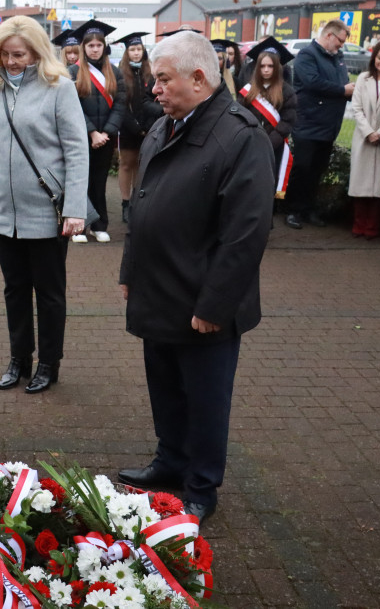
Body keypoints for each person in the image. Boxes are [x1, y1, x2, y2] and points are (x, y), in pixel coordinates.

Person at [116, 31, 274, 524]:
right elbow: (142, 205)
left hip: (202, 302)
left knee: (205, 400)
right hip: (159, 289)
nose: (154, 89)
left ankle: (201, 486)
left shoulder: (240, 136)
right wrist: (129, 269)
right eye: (154, 79)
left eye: (163, 79)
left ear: (200, 79)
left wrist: (214, 305)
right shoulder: (166, 125)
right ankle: (171, 461)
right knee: (165, 388)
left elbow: (245, 234)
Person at [0, 16, 88, 395]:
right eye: (5, 54)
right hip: (4, 211)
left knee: (49, 294)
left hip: (46, 210)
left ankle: (49, 363)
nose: (11, 61)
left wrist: (75, 208)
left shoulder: (59, 88)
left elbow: (77, 150)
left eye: (19, 54)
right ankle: (19, 358)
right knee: (15, 290)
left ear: (36, 52)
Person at [285, 19, 354, 230]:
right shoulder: (307, 55)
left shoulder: (338, 58)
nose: (341, 45)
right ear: (329, 35)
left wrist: (349, 90)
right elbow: (313, 82)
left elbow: (342, 81)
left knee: (317, 169)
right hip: (308, 122)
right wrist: (343, 91)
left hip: (329, 125)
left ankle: (308, 208)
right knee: (303, 167)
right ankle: (293, 210)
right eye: (340, 40)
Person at [67, 19, 127, 243]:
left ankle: (100, 225)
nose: (94, 49)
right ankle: (79, 226)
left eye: (98, 45)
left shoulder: (115, 72)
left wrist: (106, 132)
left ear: (104, 47)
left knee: (99, 182)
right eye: (90, 45)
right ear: (83, 47)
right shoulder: (73, 72)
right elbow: (71, 107)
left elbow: (120, 104)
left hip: (106, 138)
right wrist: (92, 132)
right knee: (80, 181)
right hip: (81, 137)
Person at [348, 40, 380, 239]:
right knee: (360, 183)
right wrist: (369, 132)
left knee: (378, 185)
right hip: (364, 137)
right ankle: (358, 224)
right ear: (374, 57)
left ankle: (373, 226)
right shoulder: (363, 78)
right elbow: (356, 108)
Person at [237, 37, 298, 201]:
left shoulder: (287, 92)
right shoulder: (248, 90)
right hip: (249, 145)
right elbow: (239, 115)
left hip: (273, 148)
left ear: (277, 68)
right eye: (262, 66)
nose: (266, 70)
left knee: (267, 186)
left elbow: (287, 122)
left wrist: (268, 143)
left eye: (270, 66)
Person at [115, 32, 161, 225]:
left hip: (149, 127)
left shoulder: (151, 72)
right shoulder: (121, 73)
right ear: (127, 52)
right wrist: (134, 126)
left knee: (142, 166)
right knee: (127, 164)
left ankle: (137, 203)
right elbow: (120, 103)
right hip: (128, 127)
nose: (136, 53)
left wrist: (147, 126)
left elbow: (153, 100)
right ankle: (126, 203)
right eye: (132, 49)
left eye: (139, 49)